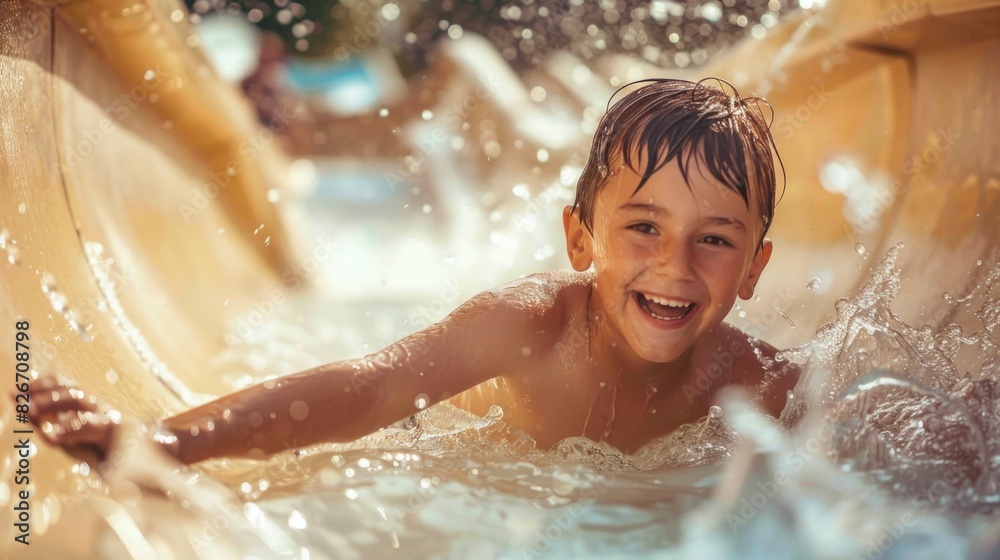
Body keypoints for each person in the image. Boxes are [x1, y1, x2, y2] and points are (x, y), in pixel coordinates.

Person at [27, 78, 799, 466]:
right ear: (580, 238)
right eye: (642, 227)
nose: (675, 265)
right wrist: (168, 442)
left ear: (755, 269)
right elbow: (368, 387)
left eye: (716, 241)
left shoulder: (752, 382)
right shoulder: (527, 328)